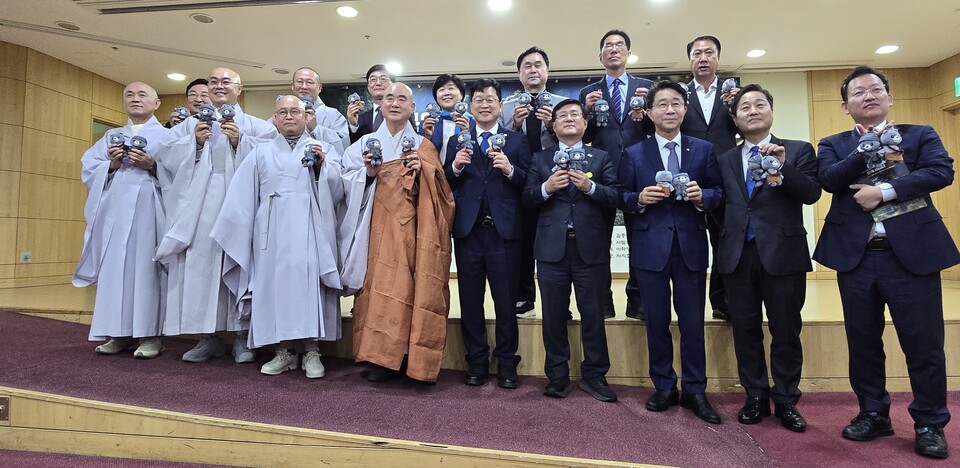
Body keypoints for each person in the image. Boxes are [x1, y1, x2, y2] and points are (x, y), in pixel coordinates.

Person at [815, 66, 958, 459]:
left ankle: (930, 421)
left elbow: (941, 171)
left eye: (876, 89)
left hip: (911, 256)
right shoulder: (833, 143)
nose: (869, 95)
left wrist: (886, 190)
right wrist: (867, 148)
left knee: (924, 344)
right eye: (858, 92)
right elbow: (830, 179)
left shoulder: (919, 134)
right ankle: (873, 413)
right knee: (863, 344)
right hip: (857, 258)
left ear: (890, 98)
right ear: (846, 107)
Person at [210, 95, 344, 378]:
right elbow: (241, 195)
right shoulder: (259, 152)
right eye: (282, 112)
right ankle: (283, 351)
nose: (289, 116)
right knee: (273, 286)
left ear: (306, 116)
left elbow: (338, 190)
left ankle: (310, 350)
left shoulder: (324, 149)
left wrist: (322, 167)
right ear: (274, 118)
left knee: (309, 284)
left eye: (295, 111)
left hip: (309, 227)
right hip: (270, 230)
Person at [716, 84, 820, 432]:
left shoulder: (798, 149)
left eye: (760, 104)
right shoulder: (726, 159)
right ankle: (755, 395)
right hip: (737, 256)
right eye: (744, 107)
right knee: (745, 330)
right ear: (735, 118)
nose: (753, 110)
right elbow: (723, 205)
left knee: (786, 330)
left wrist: (784, 166)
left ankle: (787, 399)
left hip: (783, 255)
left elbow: (811, 194)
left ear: (771, 112)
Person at [154, 67, 275, 364]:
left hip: (242, 203)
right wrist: (193, 143)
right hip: (201, 204)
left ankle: (242, 337)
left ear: (239, 88)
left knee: (238, 261)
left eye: (226, 82)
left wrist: (240, 143)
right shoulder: (190, 125)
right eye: (214, 82)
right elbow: (166, 158)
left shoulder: (258, 126)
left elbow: (275, 161)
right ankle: (208, 337)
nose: (219, 86)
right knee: (202, 267)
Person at [620, 81, 723, 423]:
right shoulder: (634, 152)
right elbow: (621, 195)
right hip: (651, 247)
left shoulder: (703, 149)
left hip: (691, 244)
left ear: (685, 110)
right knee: (657, 321)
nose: (669, 110)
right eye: (661, 104)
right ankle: (664, 384)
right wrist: (638, 199)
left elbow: (718, 192)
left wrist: (702, 197)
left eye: (675, 103)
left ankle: (695, 389)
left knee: (693, 322)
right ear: (648, 113)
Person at [340, 82, 455, 383]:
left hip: (416, 230)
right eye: (389, 98)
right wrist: (366, 174)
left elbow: (443, 194)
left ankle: (410, 357)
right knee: (380, 289)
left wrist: (425, 172)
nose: (394, 103)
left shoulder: (424, 147)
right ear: (380, 104)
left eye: (402, 98)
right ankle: (380, 358)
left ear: (412, 108)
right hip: (377, 229)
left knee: (413, 289)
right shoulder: (363, 144)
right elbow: (342, 183)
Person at [523, 98, 619, 402]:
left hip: (590, 249)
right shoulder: (540, 159)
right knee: (552, 316)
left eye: (574, 114)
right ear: (552, 125)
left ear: (585, 123)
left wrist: (591, 188)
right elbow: (526, 199)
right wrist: (545, 188)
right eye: (561, 115)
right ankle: (557, 375)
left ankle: (595, 375)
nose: (567, 119)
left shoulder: (601, 158)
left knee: (593, 315)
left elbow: (616, 196)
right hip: (551, 250)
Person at [444, 78, 530, 389]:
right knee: (470, 300)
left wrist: (509, 169)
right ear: (469, 106)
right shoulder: (457, 141)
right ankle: (477, 360)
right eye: (478, 99)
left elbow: (529, 183)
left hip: (504, 233)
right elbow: (445, 183)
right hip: (468, 233)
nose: (484, 104)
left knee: (506, 302)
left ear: (500, 105)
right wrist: (454, 167)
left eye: (490, 99)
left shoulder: (516, 142)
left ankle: (507, 363)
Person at [73, 82, 167, 358]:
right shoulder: (112, 136)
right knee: (114, 269)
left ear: (156, 103)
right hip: (115, 209)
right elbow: (89, 169)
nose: (135, 99)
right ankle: (117, 333)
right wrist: (111, 165)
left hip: (149, 208)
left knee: (145, 270)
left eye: (142, 95)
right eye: (129, 95)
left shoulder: (167, 137)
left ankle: (150, 335)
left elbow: (180, 174)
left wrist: (152, 166)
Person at [579, 29, 653, 320]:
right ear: (600, 56)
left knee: (640, 239)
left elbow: (656, 129)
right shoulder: (588, 92)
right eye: (607, 46)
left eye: (619, 45)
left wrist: (649, 111)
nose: (613, 50)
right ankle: (603, 301)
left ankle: (638, 301)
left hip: (640, 170)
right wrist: (585, 113)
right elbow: (586, 135)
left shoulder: (646, 87)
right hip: (602, 173)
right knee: (599, 240)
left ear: (628, 53)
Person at [499, 46, 567, 318]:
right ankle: (523, 297)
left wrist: (553, 125)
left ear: (547, 70)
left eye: (538, 65)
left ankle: (560, 304)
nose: (533, 70)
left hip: (554, 179)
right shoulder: (506, 107)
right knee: (523, 241)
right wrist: (513, 126)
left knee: (557, 242)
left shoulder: (562, 104)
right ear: (519, 73)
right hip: (519, 181)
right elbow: (498, 142)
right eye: (527, 66)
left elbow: (574, 138)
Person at [680, 35, 741, 322]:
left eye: (709, 53)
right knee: (686, 239)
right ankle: (685, 303)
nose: (703, 58)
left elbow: (745, 125)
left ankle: (723, 300)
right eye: (697, 53)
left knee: (724, 239)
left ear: (718, 58)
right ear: (690, 59)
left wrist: (734, 107)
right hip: (688, 174)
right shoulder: (680, 95)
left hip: (726, 174)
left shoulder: (734, 94)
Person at [291, 67, 350, 154]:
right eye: (299, 82)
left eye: (309, 82)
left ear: (319, 87)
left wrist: (316, 129)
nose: (304, 86)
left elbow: (344, 145)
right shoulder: (283, 114)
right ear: (292, 85)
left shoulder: (333, 115)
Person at [420, 73, 472, 163]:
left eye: (451, 88)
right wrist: (428, 136)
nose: (446, 93)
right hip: (435, 174)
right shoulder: (429, 122)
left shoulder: (472, 121)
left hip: (465, 174)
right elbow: (420, 153)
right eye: (441, 90)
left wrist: (466, 131)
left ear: (461, 94)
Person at [347, 64, 394, 143]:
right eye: (373, 80)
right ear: (368, 87)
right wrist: (353, 126)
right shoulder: (361, 118)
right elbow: (355, 147)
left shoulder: (401, 112)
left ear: (392, 85)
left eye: (383, 79)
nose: (378, 83)